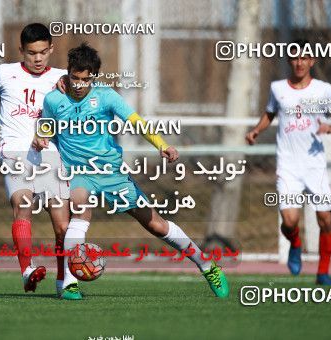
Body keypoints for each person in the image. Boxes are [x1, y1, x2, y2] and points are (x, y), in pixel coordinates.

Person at [34, 42, 229, 300]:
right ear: (67, 72)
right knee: (79, 215)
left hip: (112, 173)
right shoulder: (54, 98)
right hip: (78, 173)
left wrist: (162, 145)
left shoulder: (106, 96)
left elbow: (135, 122)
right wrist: (40, 137)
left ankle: (206, 265)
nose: (79, 85)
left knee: (156, 225)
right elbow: (46, 127)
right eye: (74, 78)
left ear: (94, 77)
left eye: (85, 80)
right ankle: (70, 283)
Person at [246, 39, 331, 285]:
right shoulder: (278, 88)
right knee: (290, 220)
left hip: (315, 164)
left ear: (312, 61)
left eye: (304, 57)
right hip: (288, 165)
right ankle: (295, 244)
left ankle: (323, 272)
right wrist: (256, 131)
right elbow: (270, 113)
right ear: (290, 60)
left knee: (325, 219)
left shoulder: (324, 90)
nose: (299, 62)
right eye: (295, 57)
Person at [0, 23, 75, 295]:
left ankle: (65, 280)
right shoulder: (3, 73)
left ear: (51, 49)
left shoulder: (62, 78)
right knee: (21, 206)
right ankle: (27, 269)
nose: (37, 59)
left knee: (62, 225)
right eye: (31, 53)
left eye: (43, 52)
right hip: (14, 151)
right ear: (21, 50)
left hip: (51, 155)